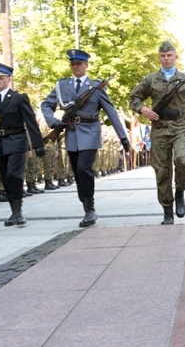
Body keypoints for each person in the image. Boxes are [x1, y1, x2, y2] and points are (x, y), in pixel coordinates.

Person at [41, 49, 130, 227]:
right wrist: (53, 123)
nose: (76, 67)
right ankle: (86, 206)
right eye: (73, 64)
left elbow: (111, 112)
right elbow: (46, 105)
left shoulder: (95, 87)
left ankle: (90, 210)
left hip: (90, 133)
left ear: (86, 65)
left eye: (79, 64)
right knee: (77, 172)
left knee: (84, 169)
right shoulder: (62, 85)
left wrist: (123, 138)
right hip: (71, 134)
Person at [129, 41, 185, 225]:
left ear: (175, 57)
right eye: (163, 56)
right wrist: (143, 109)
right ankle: (167, 209)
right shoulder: (150, 80)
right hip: (159, 129)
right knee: (162, 171)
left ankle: (180, 191)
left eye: (169, 55)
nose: (166, 58)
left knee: (183, 160)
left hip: (181, 127)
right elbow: (134, 97)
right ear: (159, 57)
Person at [0, 63, 45, 226]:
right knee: (5, 178)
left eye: (1, 78)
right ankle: (14, 212)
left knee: (13, 175)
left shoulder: (18, 98)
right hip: (0, 144)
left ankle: (18, 211)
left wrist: (38, 145)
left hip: (17, 141)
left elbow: (31, 122)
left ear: (9, 79)